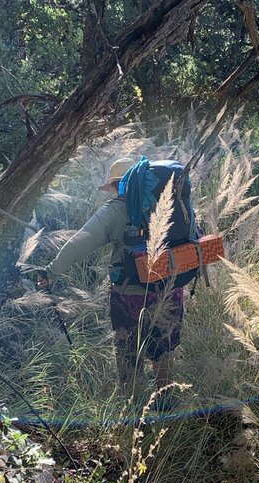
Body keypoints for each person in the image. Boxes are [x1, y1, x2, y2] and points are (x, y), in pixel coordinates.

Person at [39, 157, 185, 395]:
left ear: (119, 185)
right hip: (171, 290)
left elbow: (80, 242)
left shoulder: (114, 210)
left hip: (129, 296)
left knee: (128, 352)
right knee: (164, 348)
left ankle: (133, 406)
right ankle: (165, 400)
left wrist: (52, 271)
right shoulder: (171, 201)